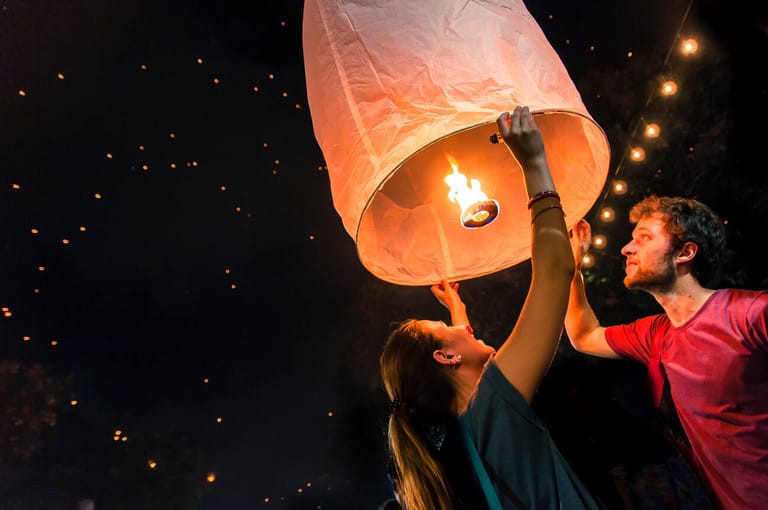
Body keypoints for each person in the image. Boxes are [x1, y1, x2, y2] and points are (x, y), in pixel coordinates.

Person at [379, 106, 606, 510]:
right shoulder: (493, 410)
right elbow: (552, 269)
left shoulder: (465, 441)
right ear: (444, 356)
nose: (468, 331)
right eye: (450, 332)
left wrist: (456, 311)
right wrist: (534, 162)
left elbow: (462, 355)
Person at [565, 196, 768, 510]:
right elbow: (583, 335)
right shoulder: (654, 335)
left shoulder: (751, 314)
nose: (627, 249)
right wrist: (571, 268)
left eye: (644, 238)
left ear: (685, 252)